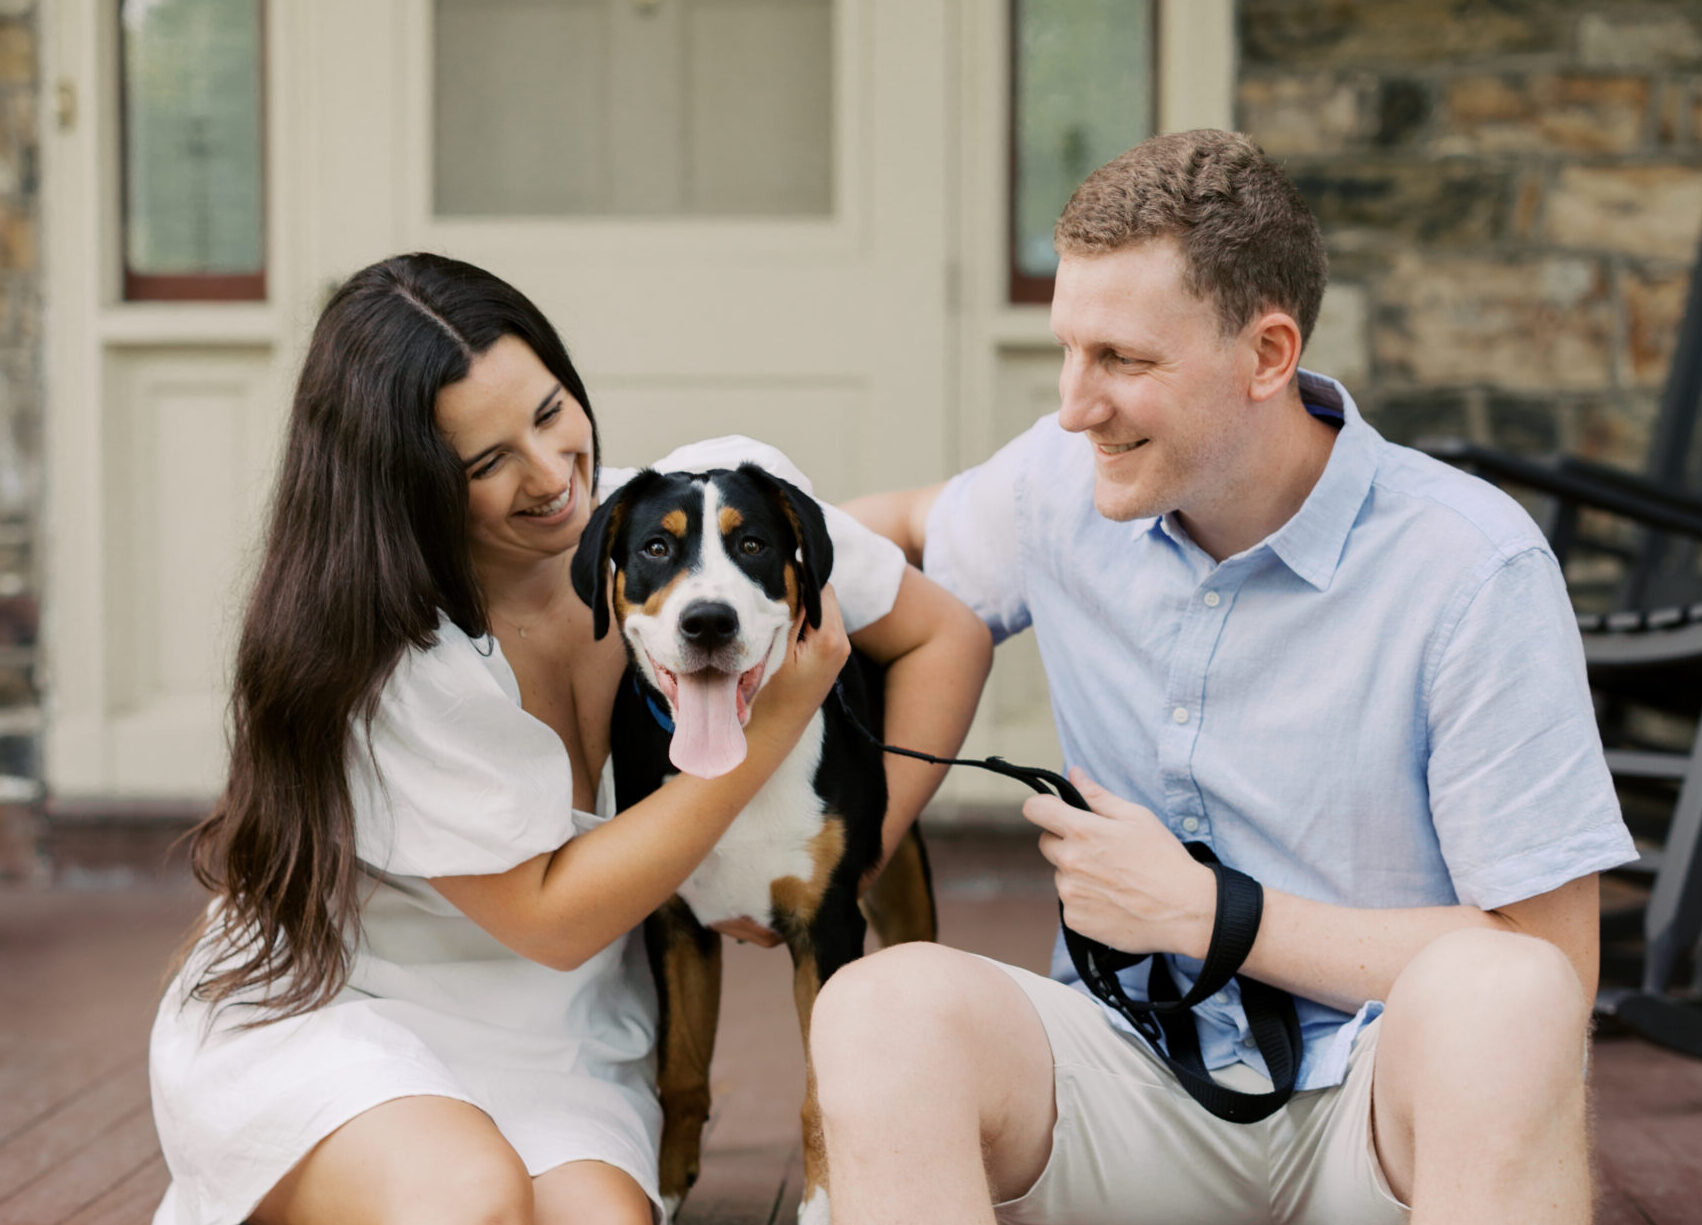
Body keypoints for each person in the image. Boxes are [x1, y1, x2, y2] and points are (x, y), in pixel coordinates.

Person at [821, 128, 1637, 1225]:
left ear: (1267, 355)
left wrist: (1214, 915)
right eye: (1069, 349)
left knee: (1506, 995)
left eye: (1122, 360)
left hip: (1377, 1110)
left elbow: (1552, 962)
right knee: (880, 1008)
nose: (1072, 403)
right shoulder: (1062, 481)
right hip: (1126, 1085)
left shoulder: (1468, 566)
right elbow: (896, 537)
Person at [147, 253, 992, 1225]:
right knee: (467, 1198)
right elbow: (554, 918)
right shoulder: (388, 657)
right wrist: (777, 723)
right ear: (408, 486)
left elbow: (942, 636)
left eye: (550, 413)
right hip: (346, 1002)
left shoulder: (676, 524)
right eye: (486, 461)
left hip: (561, 1033)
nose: (553, 476)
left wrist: (846, 857)